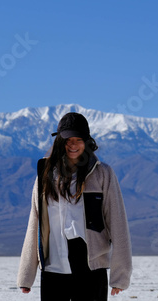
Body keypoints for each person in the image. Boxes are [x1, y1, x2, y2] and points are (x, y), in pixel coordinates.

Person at [17, 112, 133, 300]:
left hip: (90, 266)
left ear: (87, 142)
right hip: (53, 266)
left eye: (78, 139)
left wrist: (120, 276)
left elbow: (118, 223)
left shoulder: (103, 174)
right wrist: (26, 275)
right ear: (59, 142)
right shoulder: (45, 175)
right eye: (67, 139)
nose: (72, 145)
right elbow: (35, 223)